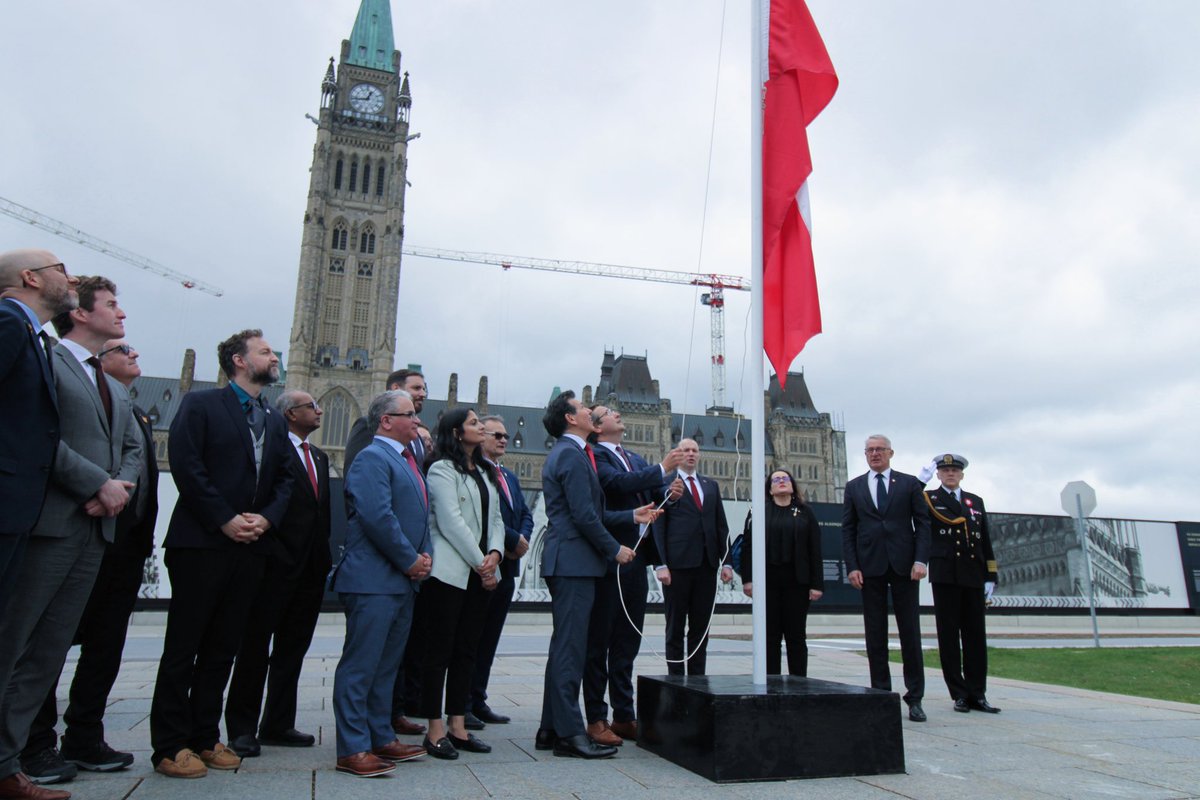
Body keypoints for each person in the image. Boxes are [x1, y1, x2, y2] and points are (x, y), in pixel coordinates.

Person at [0, 276, 141, 800]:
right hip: (54, 523)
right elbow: (37, 432)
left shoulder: (111, 382)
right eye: (110, 304)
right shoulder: (49, 361)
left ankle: (7, 764)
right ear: (81, 314)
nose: (121, 313)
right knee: (16, 646)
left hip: (96, 530)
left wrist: (118, 487)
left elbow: (132, 445)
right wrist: (96, 483)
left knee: (48, 655)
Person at [149, 330, 294, 778]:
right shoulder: (202, 404)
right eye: (265, 352)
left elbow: (286, 478)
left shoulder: (272, 418)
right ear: (238, 360)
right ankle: (170, 745)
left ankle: (204, 735)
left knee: (223, 648)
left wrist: (266, 519)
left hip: (251, 548)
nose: (274, 357)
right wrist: (225, 518)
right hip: (202, 543)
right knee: (184, 646)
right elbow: (188, 466)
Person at [22, 341, 157, 780]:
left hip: (123, 543)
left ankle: (84, 735)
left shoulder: (132, 408)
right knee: (49, 644)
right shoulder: (59, 375)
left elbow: (135, 458)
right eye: (123, 350)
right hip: (79, 526)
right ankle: (34, 742)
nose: (134, 354)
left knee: (104, 647)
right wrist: (99, 488)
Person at [536, 391, 657, 760]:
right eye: (584, 408)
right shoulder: (571, 455)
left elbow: (594, 512)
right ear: (571, 419)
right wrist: (614, 549)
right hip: (574, 562)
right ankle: (570, 735)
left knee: (565, 649)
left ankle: (550, 727)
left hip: (575, 562)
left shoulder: (575, 453)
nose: (590, 411)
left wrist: (630, 518)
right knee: (572, 650)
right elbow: (584, 517)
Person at [225, 390, 333, 757]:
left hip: (310, 570)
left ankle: (278, 722)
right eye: (311, 406)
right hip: (273, 565)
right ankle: (242, 728)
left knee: (292, 650)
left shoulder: (318, 456)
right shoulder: (273, 449)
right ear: (290, 414)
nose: (319, 411)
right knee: (254, 649)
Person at [331, 389, 431, 777]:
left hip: (402, 582)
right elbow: (378, 517)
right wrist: (410, 560)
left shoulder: (407, 461)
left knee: (386, 667)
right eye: (409, 415)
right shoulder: (372, 458)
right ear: (386, 420)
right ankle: (352, 748)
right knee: (361, 666)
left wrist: (424, 557)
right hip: (374, 579)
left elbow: (419, 514)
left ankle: (379, 736)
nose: (417, 420)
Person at [583, 405, 682, 744]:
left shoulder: (635, 457)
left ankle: (624, 714)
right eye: (609, 412)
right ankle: (596, 716)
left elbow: (652, 492)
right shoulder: (595, 455)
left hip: (636, 559)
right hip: (610, 555)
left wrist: (670, 490)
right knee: (600, 640)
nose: (617, 414)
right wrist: (662, 468)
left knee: (628, 639)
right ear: (597, 427)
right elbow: (617, 484)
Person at [417, 408, 504, 759]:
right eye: (473, 423)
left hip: (480, 571)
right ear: (456, 432)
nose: (481, 427)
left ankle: (458, 725)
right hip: (451, 573)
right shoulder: (441, 469)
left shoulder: (485, 472)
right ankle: (434, 728)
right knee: (439, 651)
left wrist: (495, 553)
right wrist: (480, 561)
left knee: (467, 649)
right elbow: (450, 521)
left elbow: (496, 518)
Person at [0, 248, 76, 619]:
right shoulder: (9, 321)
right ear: (32, 278)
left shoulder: (29, 331)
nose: (72, 278)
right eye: (62, 270)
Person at [842, 435, 931, 722]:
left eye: (880, 449)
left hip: (905, 566)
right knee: (875, 634)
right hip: (870, 567)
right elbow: (849, 529)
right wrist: (853, 566)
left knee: (910, 632)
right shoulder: (854, 486)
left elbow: (923, 524)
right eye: (870, 450)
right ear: (865, 455)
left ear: (891, 452)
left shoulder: (909, 484)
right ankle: (881, 693)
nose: (875, 454)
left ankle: (915, 697)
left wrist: (920, 560)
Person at [467, 415, 533, 727]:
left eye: (506, 436)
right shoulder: (473, 472)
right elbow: (484, 514)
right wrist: (510, 540)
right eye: (497, 435)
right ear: (481, 438)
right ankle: (462, 702)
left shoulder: (509, 476)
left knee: (490, 637)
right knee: (472, 636)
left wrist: (523, 539)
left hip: (509, 566)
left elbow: (526, 513)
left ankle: (478, 698)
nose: (504, 440)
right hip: (484, 565)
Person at [923, 453, 1000, 714]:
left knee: (975, 637)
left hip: (974, 574)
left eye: (955, 470)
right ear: (938, 475)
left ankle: (978, 693)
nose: (950, 474)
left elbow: (985, 540)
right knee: (949, 636)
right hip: (946, 574)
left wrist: (991, 575)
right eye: (945, 471)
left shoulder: (974, 501)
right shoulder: (929, 499)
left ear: (962, 474)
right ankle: (958, 693)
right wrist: (918, 483)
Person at [651, 438, 733, 676]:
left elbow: (721, 526)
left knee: (700, 627)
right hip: (677, 566)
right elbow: (658, 526)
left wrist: (726, 561)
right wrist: (660, 564)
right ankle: (675, 679)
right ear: (677, 454)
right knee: (675, 626)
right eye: (685, 450)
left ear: (699, 455)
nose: (690, 454)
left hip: (706, 565)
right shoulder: (665, 483)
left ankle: (697, 678)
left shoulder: (711, 486)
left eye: (694, 450)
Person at [738, 469, 823, 676]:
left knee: (796, 636)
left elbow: (815, 549)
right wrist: (748, 580)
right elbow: (747, 547)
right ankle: (771, 682)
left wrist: (816, 584)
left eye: (785, 478)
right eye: (776, 479)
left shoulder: (805, 512)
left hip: (797, 583)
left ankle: (799, 682)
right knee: (770, 637)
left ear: (793, 485)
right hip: (768, 584)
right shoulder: (758, 511)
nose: (781, 482)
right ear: (769, 488)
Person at [344, 369, 428, 472]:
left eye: (424, 389)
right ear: (396, 388)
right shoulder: (369, 425)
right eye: (417, 388)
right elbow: (356, 471)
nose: (423, 394)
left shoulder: (417, 437)